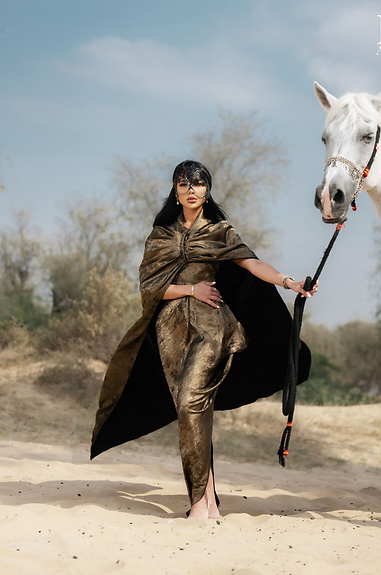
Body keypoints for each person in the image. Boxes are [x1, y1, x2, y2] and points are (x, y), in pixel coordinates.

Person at [90, 160, 317, 519]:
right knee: (194, 409)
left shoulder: (219, 231)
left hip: (212, 326)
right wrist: (190, 289)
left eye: (198, 183)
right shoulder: (160, 236)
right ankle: (208, 501)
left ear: (207, 190)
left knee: (190, 399)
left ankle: (198, 504)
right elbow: (150, 288)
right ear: (175, 191)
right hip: (170, 330)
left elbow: (253, 264)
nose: (191, 189)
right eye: (184, 183)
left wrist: (290, 283)